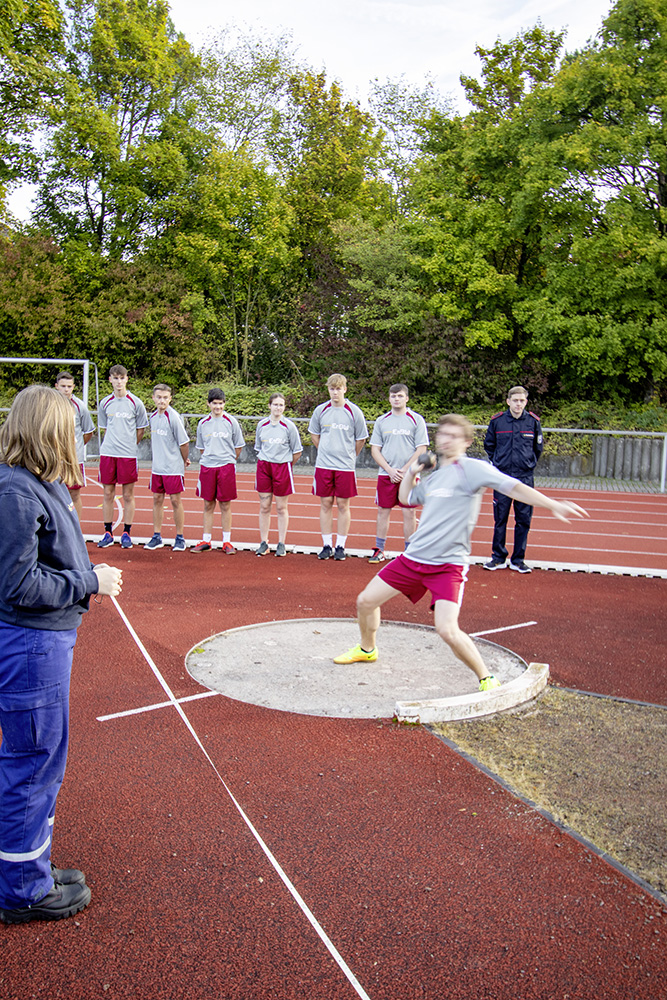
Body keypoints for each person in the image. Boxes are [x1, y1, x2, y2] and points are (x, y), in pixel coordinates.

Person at [334, 414, 587, 692]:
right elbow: (406, 498)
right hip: (413, 558)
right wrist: (412, 471)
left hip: (447, 565)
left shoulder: (472, 469)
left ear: (466, 442)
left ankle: (486, 678)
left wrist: (551, 504)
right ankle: (367, 649)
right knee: (365, 601)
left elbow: (512, 486)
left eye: (453, 436)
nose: (446, 440)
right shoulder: (435, 477)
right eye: (443, 434)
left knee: (447, 630)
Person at [0, 385, 122, 924]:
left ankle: (29, 866)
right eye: (69, 428)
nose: (76, 437)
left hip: (43, 638)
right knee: (33, 761)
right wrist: (89, 581)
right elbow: (17, 584)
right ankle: (22, 889)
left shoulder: (38, 480)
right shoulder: (17, 490)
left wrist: (85, 575)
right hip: (30, 641)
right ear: (47, 431)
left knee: (40, 760)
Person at [308, 374, 368, 561]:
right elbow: (314, 434)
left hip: (345, 467)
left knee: (343, 504)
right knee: (325, 503)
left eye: (338, 388)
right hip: (324, 465)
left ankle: (340, 545)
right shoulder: (321, 410)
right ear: (328, 390)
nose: (335, 392)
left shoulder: (354, 411)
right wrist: (325, 451)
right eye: (332, 389)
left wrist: (350, 455)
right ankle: (326, 545)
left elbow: (361, 439)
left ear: (345, 389)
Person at [483, 386, 543, 573]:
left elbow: (538, 448)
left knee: (523, 520)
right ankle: (498, 557)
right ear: (508, 401)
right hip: (502, 477)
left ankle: (518, 559)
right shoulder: (497, 421)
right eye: (515, 400)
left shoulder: (533, 422)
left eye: (522, 401)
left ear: (526, 402)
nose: (518, 404)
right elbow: (489, 445)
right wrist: (498, 463)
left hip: (524, 478)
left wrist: (528, 464)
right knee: (500, 519)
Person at [368, 383, 429, 563]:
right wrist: (390, 470)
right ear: (389, 398)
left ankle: (409, 551)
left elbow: (421, 449)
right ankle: (379, 549)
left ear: (406, 398)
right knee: (383, 511)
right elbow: (375, 450)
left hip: (409, 475)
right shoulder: (382, 421)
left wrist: (405, 470)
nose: (396, 399)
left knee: (409, 513)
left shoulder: (416, 420)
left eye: (400, 396)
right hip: (386, 474)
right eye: (393, 396)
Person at [97, 365, 149, 549]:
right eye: (115, 378)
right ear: (110, 380)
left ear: (127, 379)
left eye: (122, 378)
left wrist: (130, 445)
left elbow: (141, 429)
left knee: (128, 494)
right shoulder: (104, 403)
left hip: (127, 455)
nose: (119, 382)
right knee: (108, 493)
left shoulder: (136, 403)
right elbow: (105, 428)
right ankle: (108, 532)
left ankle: (126, 532)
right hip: (108, 453)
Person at [191, 389, 245, 553]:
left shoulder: (231, 422)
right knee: (208, 504)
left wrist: (227, 460)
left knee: (225, 504)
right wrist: (211, 458)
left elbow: (238, 446)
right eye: (214, 403)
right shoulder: (203, 423)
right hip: (208, 467)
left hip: (226, 467)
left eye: (221, 403)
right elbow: (202, 448)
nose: (218, 407)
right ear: (209, 404)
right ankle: (206, 540)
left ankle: (226, 541)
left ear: (224, 404)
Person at [254, 393, 303, 557]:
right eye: (275, 404)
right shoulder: (262, 425)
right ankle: (264, 542)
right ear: (269, 406)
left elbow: (297, 451)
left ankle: (281, 543)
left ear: (284, 407)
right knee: (264, 506)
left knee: (281, 507)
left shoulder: (289, 427)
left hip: (282, 467)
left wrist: (286, 464)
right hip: (264, 467)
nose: (278, 408)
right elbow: (258, 447)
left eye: (281, 405)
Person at [144, 384, 191, 552]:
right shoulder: (153, 417)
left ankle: (180, 537)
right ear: (153, 398)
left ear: (170, 399)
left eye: (165, 397)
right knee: (157, 499)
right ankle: (157, 536)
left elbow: (184, 443)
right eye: (159, 397)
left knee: (175, 500)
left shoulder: (174, 417)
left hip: (173, 468)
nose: (162, 401)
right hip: (157, 468)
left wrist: (184, 460)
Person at [54, 370, 95, 521]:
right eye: (63, 386)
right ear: (56, 386)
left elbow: (88, 431)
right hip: (54, 458)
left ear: (73, 387)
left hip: (74, 459)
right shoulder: (50, 404)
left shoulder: (79, 406)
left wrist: (74, 447)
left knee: (74, 493)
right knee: (53, 493)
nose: (66, 389)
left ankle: (75, 527)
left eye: (69, 386)